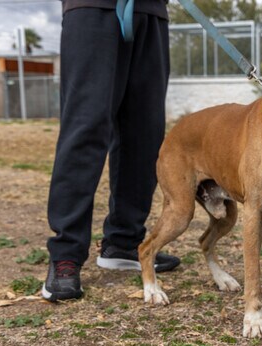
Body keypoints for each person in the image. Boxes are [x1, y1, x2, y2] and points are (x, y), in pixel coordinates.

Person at [43, 0, 180, 301]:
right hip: (93, 9)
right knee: (86, 127)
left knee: (145, 133)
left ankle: (124, 241)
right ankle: (66, 253)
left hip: (151, 12)